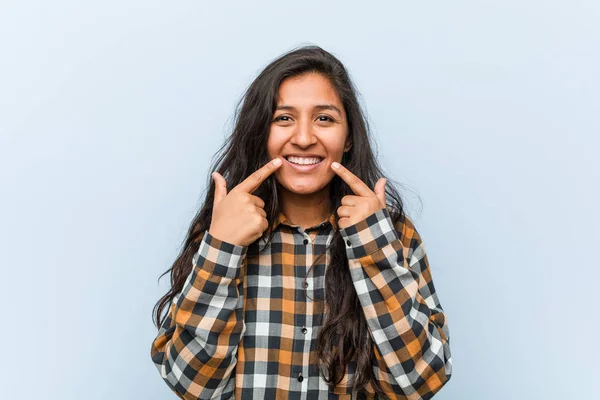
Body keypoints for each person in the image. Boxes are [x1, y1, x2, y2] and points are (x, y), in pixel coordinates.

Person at [150, 44, 452, 399]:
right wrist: (221, 247)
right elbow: (192, 385)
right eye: (283, 118)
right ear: (260, 133)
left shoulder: (393, 235)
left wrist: (374, 246)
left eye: (324, 118)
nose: (305, 138)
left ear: (349, 136)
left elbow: (419, 382)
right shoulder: (221, 232)